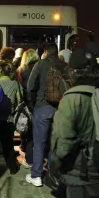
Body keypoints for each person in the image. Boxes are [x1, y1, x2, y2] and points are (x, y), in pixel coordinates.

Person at [50, 48, 99, 198]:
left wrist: (55, 167)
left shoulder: (72, 98)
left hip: (81, 175)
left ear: (73, 72)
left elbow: (63, 142)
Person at [26, 43, 67, 187]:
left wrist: (33, 105)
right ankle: (52, 172)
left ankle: (36, 176)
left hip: (42, 107)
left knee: (39, 143)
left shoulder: (41, 64)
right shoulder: (64, 65)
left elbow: (30, 86)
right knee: (53, 144)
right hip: (60, 109)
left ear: (45, 52)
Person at [0, 61, 22, 175]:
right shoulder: (16, 84)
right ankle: (12, 167)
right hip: (9, 120)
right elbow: (20, 101)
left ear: (0, 70)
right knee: (8, 145)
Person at [17, 49, 40, 167]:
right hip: (38, 104)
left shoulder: (21, 70)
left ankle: (28, 156)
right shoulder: (40, 69)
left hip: (26, 105)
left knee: (27, 130)